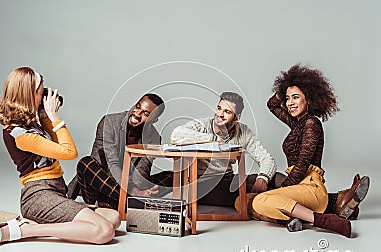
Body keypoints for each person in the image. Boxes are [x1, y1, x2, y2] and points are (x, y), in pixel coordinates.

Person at [172, 92, 369, 219]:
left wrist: (263, 177)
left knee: (274, 180)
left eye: (228, 112)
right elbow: (176, 135)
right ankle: (335, 203)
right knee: (252, 192)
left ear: (237, 117)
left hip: (228, 179)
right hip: (204, 185)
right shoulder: (201, 126)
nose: (220, 115)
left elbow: (267, 159)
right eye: (219, 109)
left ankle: (303, 212)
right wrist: (215, 141)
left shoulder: (243, 131)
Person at [0, 67, 120, 248]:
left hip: (56, 191)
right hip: (38, 195)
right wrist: (55, 116)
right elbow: (69, 152)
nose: (44, 96)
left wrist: (45, 116)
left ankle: (39, 222)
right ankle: (25, 230)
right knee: (104, 231)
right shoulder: (19, 134)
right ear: (29, 95)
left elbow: (57, 142)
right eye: (41, 92)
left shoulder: (29, 122)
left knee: (114, 218)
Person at [249, 64, 369, 238]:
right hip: (299, 185)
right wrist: (288, 84)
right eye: (288, 98)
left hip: (310, 187)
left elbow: (302, 164)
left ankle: (325, 220)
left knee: (261, 200)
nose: (290, 103)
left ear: (309, 99)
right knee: (247, 200)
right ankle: (300, 216)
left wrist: (280, 190)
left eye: (296, 97)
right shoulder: (297, 123)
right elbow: (272, 105)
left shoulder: (312, 124)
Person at [67, 94, 173, 209]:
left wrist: (138, 187)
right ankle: (134, 201)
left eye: (145, 114)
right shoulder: (109, 122)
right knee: (85, 163)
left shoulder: (154, 138)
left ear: (154, 120)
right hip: (100, 185)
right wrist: (135, 192)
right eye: (138, 107)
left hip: (129, 183)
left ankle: (121, 203)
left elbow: (142, 171)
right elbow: (111, 165)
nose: (137, 114)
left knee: (173, 176)